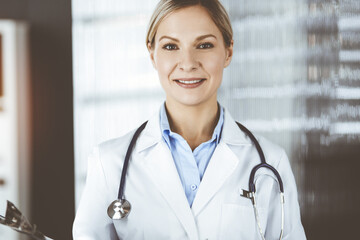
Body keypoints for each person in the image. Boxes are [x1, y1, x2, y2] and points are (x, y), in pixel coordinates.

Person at [73, 0, 306, 239]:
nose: (188, 63)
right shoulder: (109, 164)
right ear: (152, 54)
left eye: (204, 45)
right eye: (171, 47)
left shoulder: (270, 163)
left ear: (228, 51)